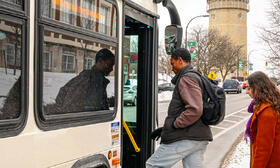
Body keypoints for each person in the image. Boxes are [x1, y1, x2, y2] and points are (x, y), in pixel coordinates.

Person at [146, 48, 212, 168]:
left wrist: (174, 125)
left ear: (180, 60)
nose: (172, 67)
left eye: (172, 63)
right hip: (199, 136)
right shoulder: (196, 76)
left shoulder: (186, 78)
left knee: (153, 165)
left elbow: (195, 109)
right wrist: (165, 128)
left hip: (186, 137)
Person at [46, 48, 115, 114]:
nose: (111, 69)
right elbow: (69, 105)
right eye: (109, 64)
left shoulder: (98, 80)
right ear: (100, 61)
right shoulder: (88, 78)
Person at [244, 71, 280, 168]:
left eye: (248, 88)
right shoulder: (263, 106)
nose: (246, 91)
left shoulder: (266, 111)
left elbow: (263, 149)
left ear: (257, 88)